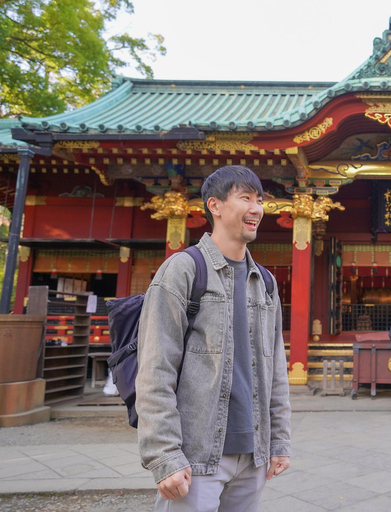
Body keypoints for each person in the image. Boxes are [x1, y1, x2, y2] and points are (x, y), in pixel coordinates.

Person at [136, 166, 291, 511]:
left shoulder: (264, 282)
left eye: (260, 200)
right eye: (245, 198)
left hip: (253, 454)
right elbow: (154, 367)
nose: (257, 208)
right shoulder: (184, 270)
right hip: (197, 454)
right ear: (215, 206)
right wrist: (164, 456)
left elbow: (275, 368)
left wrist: (279, 441)